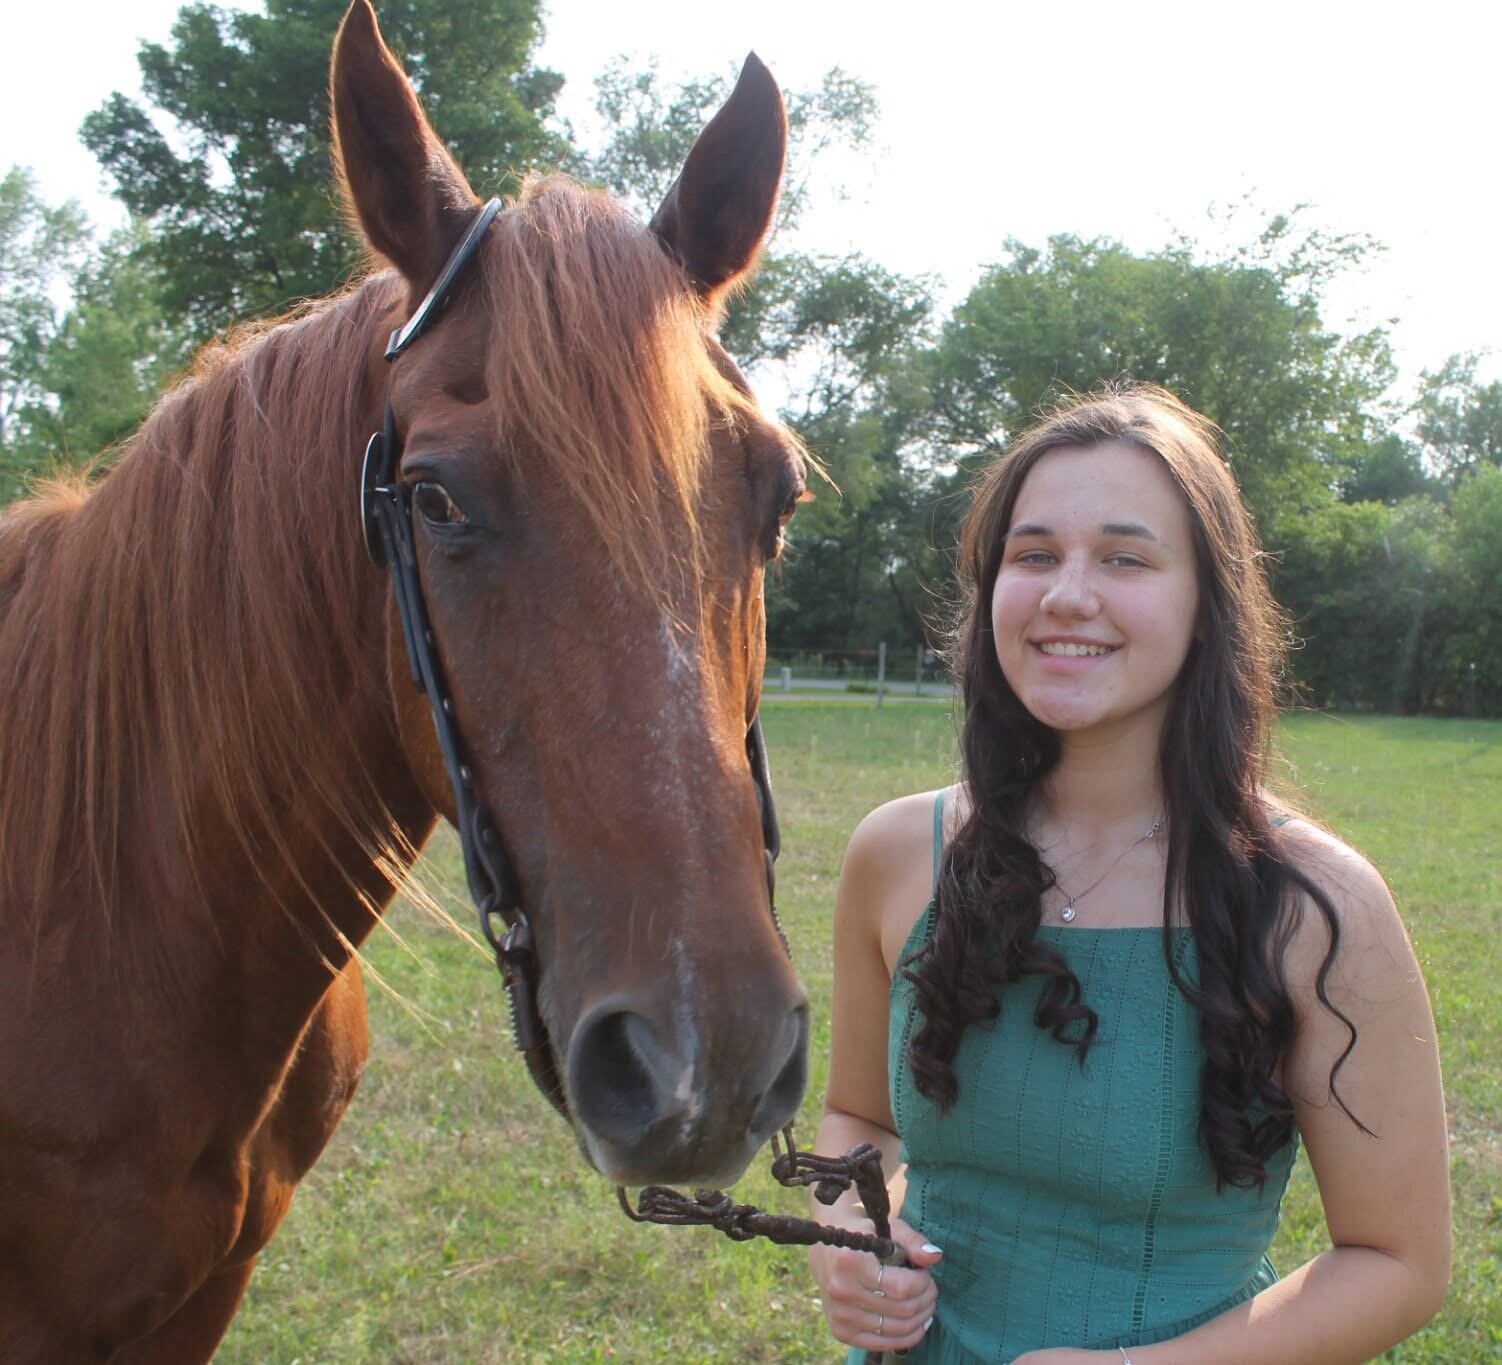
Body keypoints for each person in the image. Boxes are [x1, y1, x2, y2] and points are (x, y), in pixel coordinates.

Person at [807, 385, 1450, 1363]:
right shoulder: (897, 853)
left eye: (1124, 558)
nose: (1067, 594)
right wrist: (847, 1228)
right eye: (1032, 555)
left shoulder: (1314, 907)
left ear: (1206, 606)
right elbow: (858, 1117)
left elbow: (1397, 1262)